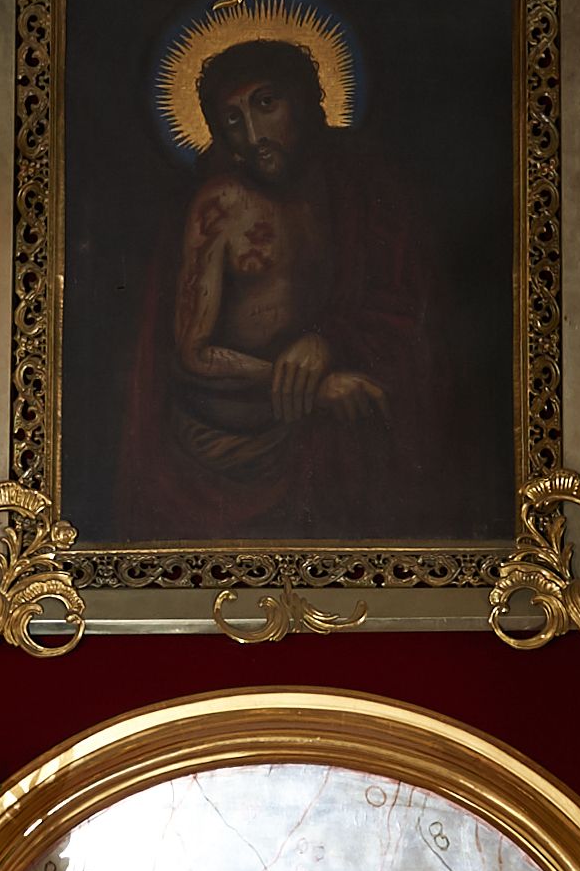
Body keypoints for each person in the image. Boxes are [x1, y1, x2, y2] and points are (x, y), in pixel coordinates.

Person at [118, 33, 435, 542]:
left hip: (315, 441)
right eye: (232, 120)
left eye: (266, 104)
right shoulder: (222, 205)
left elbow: (398, 304)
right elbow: (194, 353)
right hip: (225, 448)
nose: (253, 135)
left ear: (306, 100)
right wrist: (315, 387)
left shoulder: (355, 189)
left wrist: (327, 346)